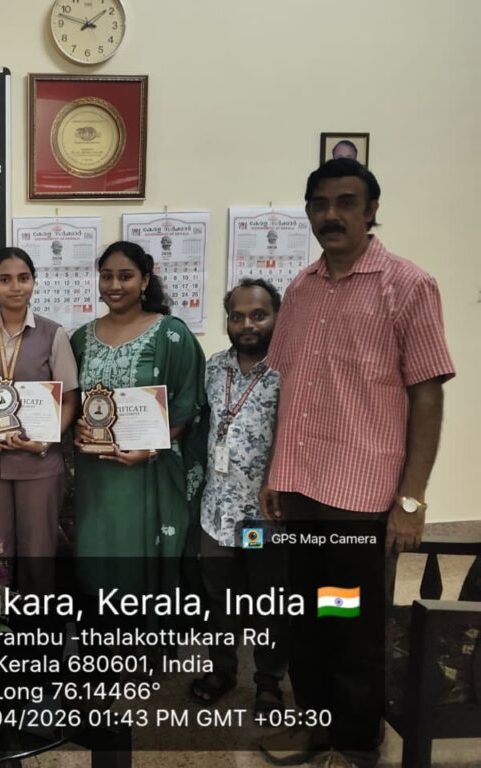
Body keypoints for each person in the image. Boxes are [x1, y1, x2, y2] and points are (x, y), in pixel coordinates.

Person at [259, 159, 455, 768]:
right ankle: (316, 725)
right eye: (320, 203)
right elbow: (288, 387)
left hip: (359, 497)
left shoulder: (408, 285)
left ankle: (355, 743)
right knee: (307, 619)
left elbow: (427, 394)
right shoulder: (300, 288)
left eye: (346, 202)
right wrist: (275, 473)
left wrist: (411, 499)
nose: (331, 215)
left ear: (371, 211)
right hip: (301, 491)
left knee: (349, 622)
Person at [72, 241, 207, 596]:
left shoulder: (171, 334)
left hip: (149, 473)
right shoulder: (80, 338)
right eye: (107, 276)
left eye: (126, 276)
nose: (114, 285)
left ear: (145, 280)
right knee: (96, 558)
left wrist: (150, 449)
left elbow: (189, 401)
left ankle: (147, 631)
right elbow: (73, 403)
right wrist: (77, 427)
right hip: (96, 476)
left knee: (141, 561)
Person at [191, 278, 288, 715]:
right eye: (237, 316)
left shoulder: (290, 371)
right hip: (217, 511)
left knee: (268, 600)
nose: (247, 324)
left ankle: (269, 682)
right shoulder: (214, 367)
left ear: (277, 317)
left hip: (264, 517)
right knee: (220, 599)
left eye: (258, 315)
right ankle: (222, 669)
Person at [0, 247, 78, 562]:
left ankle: (35, 599)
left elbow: (70, 399)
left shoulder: (53, 334)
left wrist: (46, 441)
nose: (15, 287)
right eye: (5, 279)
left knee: (38, 552)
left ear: (34, 281)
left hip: (39, 462)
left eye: (23, 278)